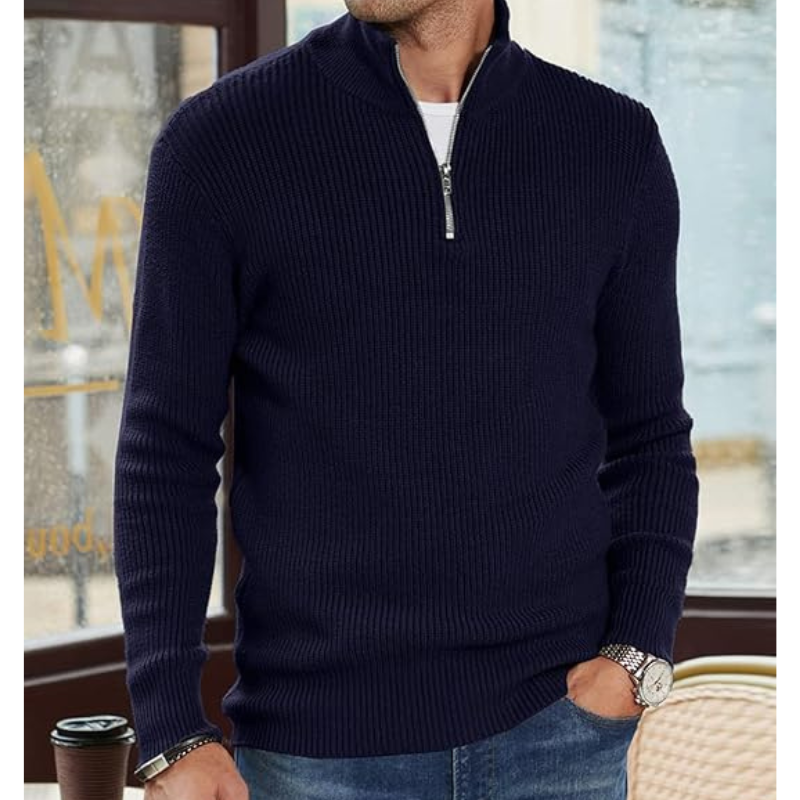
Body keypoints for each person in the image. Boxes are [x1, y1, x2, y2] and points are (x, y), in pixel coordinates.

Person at [113, 0, 700, 797]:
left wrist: (636, 652)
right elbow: (165, 450)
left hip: (560, 737)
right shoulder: (221, 140)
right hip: (318, 752)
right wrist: (171, 731)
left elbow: (651, 435)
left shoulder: (610, 142)